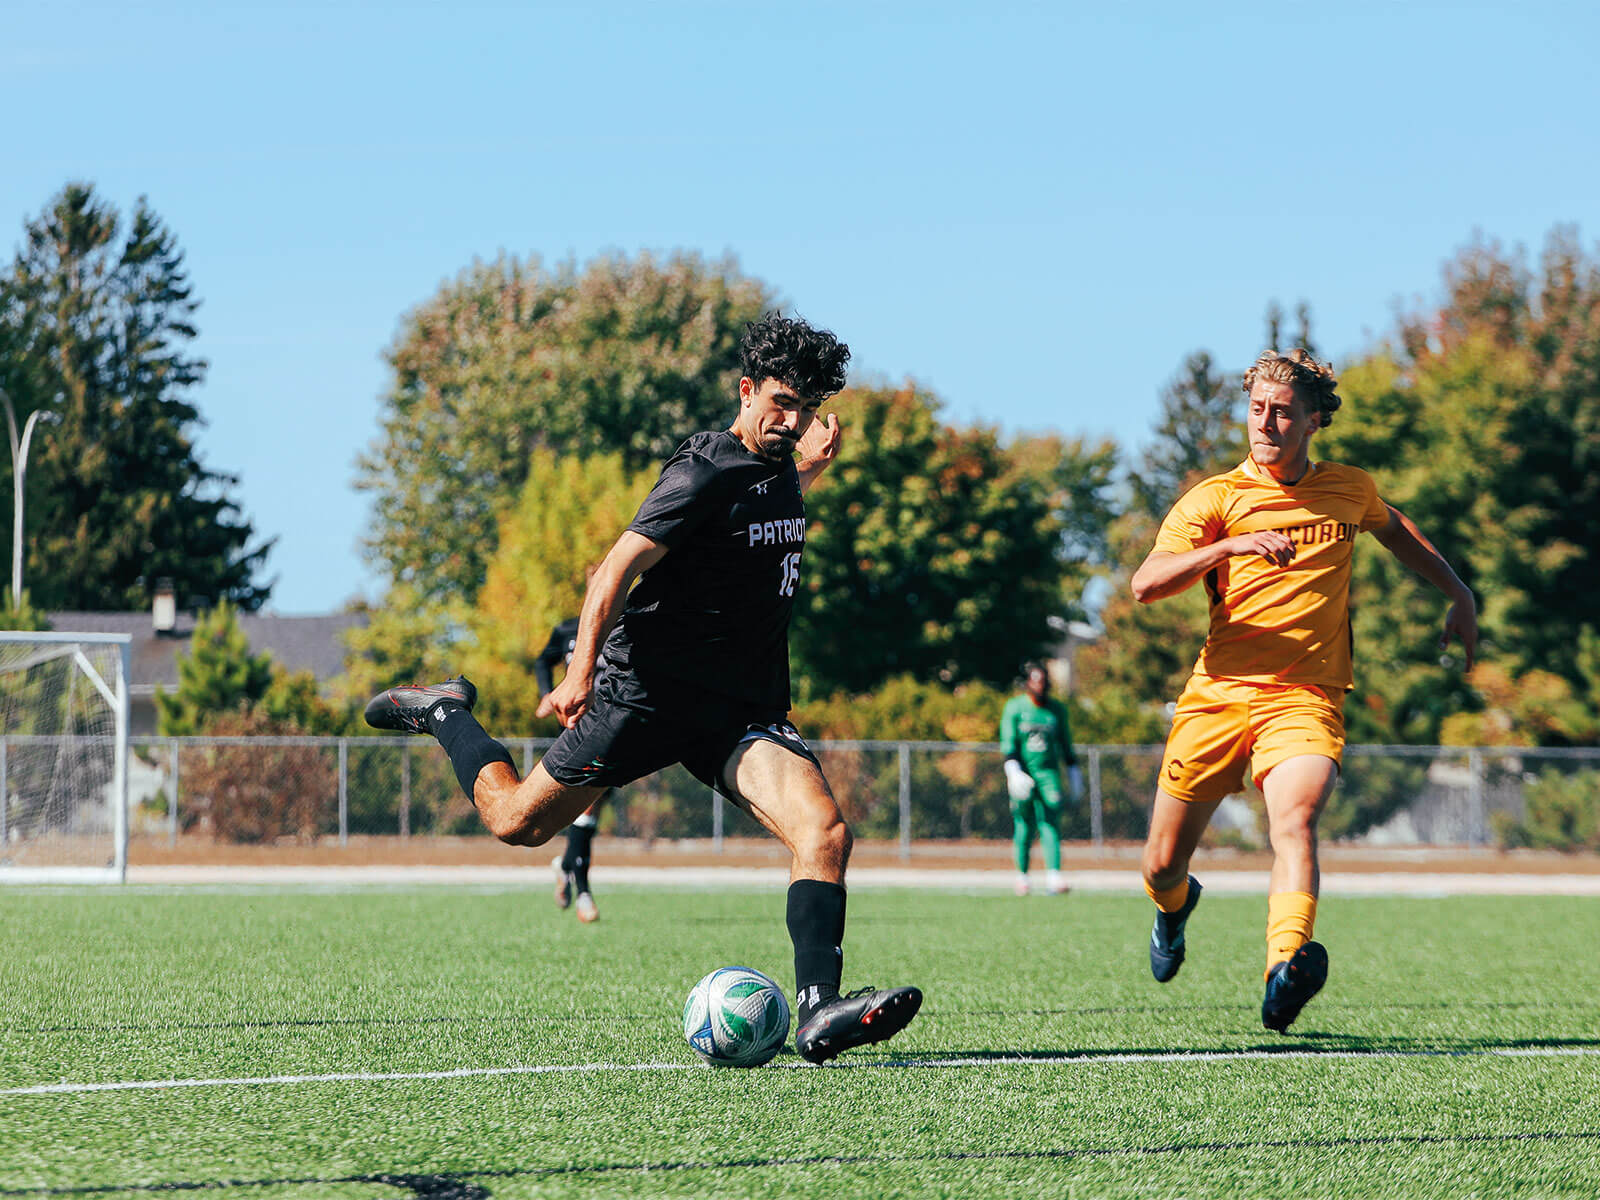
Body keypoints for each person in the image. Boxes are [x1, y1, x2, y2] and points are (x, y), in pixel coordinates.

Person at [364, 313, 922, 1063]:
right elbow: (615, 569)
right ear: (747, 390)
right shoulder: (702, 470)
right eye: (782, 403)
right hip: (646, 699)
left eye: (809, 409)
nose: (794, 421)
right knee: (515, 823)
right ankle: (444, 710)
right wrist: (578, 671)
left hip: (737, 710)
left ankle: (821, 1010)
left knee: (824, 832)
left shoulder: (780, 467)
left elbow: (765, 504)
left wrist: (810, 466)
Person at [1131, 348, 1477, 1033]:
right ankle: (1174, 908)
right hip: (1219, 694)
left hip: (1305, 696)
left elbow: (1395, 528)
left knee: (1295, 821)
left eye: (1282, 411)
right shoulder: (1217, 498)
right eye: (1256, 409)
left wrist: (1459, 592)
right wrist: (1230, 548)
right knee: (1162, 864)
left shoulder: (1348, 489)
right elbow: (1146, 583)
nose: (1265, 422)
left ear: (1313, 421)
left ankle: (1283, 971)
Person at [535, 616, 605, 924]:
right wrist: (546, 695)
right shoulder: (567, 629)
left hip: (617, 729)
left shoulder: (626, 624)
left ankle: (565, 867)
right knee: (585, 811)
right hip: (578, 729)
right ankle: (585, 892)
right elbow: (542, 661)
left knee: (589, 817)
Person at [999, 662, 1083, 896]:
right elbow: (1008, 742)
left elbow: (1065, 743)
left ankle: (1054, 875)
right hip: (1023, 772)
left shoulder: (1056, 710)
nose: (1040, 686)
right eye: (1036, 680)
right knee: (1024, 823)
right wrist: (1013, 771)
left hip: (1048, 772)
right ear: (1028, 683)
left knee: (1051, 820)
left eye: (1044, 681)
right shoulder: (1015, 708)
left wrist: (1074, 773)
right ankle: (1022, 876)